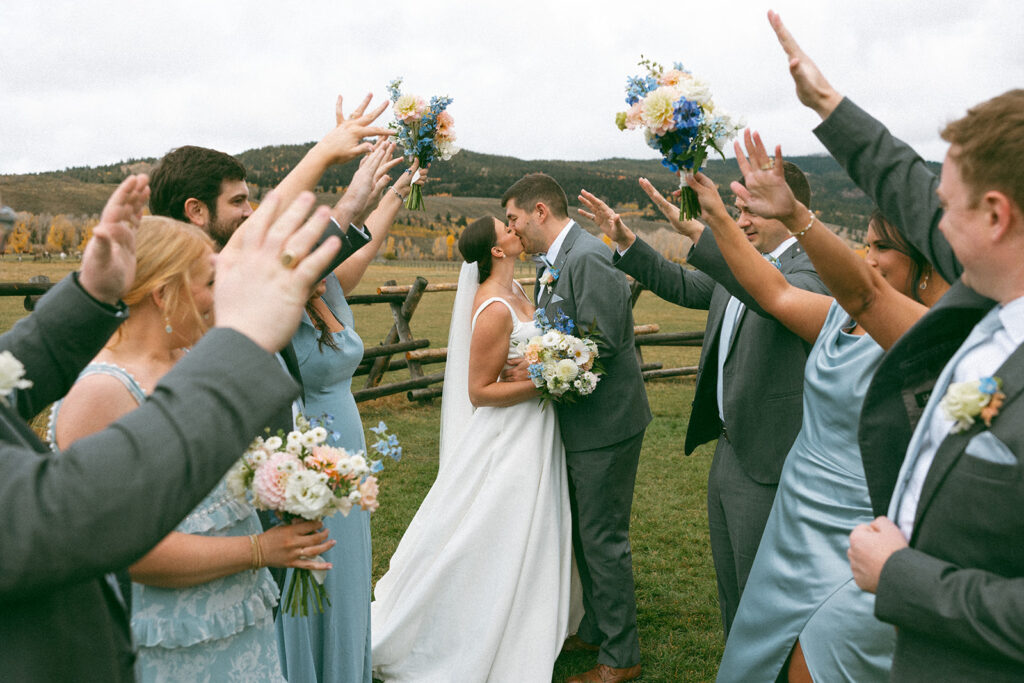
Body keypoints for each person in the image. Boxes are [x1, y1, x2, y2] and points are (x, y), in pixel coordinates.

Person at [590, 128, 948, 681]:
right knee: (750, 639)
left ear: (924, 263)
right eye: (867, 247)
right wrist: (701, 219)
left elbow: (833, 291)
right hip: (788, 507)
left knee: (811, 657)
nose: (869, 260)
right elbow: (770, 292)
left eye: (883, 249)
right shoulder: (831, 313)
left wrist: (797, 215)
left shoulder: (918, 332)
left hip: (832, 509)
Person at [0, 175, 344, 681]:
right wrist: (240, 345)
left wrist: (91, 297)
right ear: (165, 295)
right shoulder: (102, 389)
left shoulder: (173, 350)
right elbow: (70, 515)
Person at [768, 11, 1024, 679]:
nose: (931, 219)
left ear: (996, 215)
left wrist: (901, 577)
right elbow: (907, 181)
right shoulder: (995, 283)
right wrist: (827, 104)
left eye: (949, 208)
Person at [606, 159, 827, 637]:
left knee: (763, 596)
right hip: (729, 447)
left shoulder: (811, 266)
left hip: (773, 455)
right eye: (737, 211)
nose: (741, 221)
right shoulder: (744, 264)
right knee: (731, 588)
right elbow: (687, 285)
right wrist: (629, 243)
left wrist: (708, 234)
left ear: (790, 210)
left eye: (751, 211)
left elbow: (777, 300)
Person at [370, 216, 575, 681]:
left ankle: (531, 611)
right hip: (511, 435)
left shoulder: (524, 291)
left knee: (535, 524)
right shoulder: (494, 307)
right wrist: (546, 381)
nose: (515, 227)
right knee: (499, 525)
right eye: (507, 227)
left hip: (539, 429)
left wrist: (554, 364)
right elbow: (479, 392)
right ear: (496, 250)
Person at [276, 150, 427, 683]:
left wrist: (397, 188)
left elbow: (366, 234)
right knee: (315, 562)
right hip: (306, 447)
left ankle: (345, 668)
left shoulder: (335, 285)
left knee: (348, 567)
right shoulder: (278, 311)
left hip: (351, 445)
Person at [499, 173, 650, 683]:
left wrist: (538, 371)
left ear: (541, 211)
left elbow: (604, 343)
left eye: (516, 218)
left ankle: (621, 658)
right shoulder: (558, 262)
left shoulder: (586, 257)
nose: (513, 229)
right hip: (581, 420)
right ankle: (597, 625)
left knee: (602, 536)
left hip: (607, 424)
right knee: (585, 533)